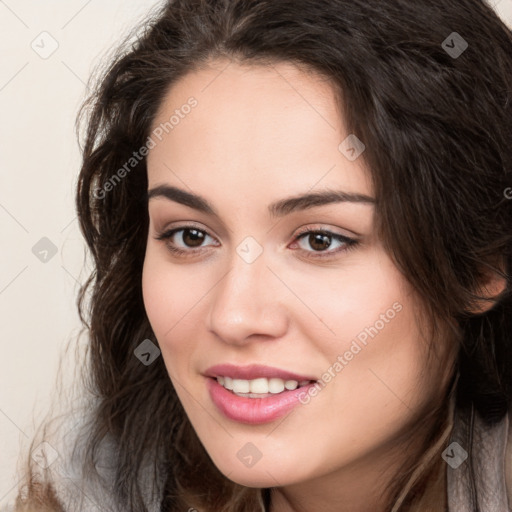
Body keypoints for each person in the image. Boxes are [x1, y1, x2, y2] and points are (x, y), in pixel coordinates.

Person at [11, 0, 512, 511]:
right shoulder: (83, 490)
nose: (233, 316)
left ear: (482, 263)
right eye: (189, 235)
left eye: (321, 239)